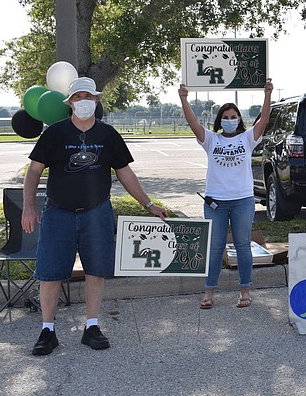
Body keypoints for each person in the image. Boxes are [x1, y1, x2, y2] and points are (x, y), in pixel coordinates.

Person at [22, 77, 168, 356]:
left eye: (88, 96)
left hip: (97, 212)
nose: (83, 102)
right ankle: (47, 330)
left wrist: (148, 204)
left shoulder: (108, 135)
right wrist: (29, 206)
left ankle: (92, 326)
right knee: (50, 273)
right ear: (70, 103)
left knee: (96, 270)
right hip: (58, 213)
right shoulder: (54, 134)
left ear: (97, 101)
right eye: (78, 97)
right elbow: (33, 172)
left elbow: (125, 173)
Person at [179, 78, 273, 310]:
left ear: (239, 119)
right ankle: (209, 291)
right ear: (219, 120)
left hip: (242, 200)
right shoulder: (211, 140)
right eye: (225, 117)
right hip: (215, 202)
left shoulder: (248, 138)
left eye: (233, 116)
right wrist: (183, 99)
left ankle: (244, 290)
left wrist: (267, 94)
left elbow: (265, 119)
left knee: (243, 245)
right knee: (214, 247)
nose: (229, 120)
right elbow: (193, 123)